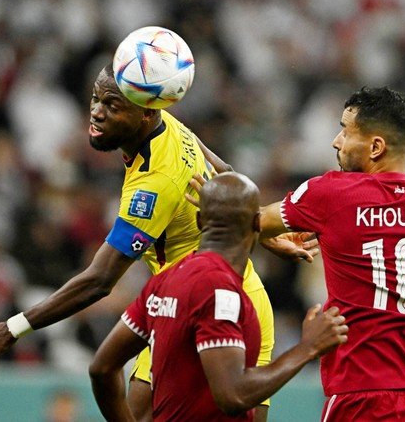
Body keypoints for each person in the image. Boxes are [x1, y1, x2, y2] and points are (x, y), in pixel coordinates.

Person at [0, 62, 317, 421]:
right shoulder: (168, 124)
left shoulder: (152, 187)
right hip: (179, 297)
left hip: (228, 302)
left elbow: (100, 280)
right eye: (95, 98)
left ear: (145, 115)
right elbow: (225, 174)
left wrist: (13, 328)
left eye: (113, 106)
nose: (97, 112)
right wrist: (258, 228)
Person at [189, 69, 405, 420]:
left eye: (345, 130)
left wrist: (257, 230)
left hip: (359, 394)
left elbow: (243, 220)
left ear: (375, 147)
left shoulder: (330, 194)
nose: (336, 141)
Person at [88, 171, 349, 421]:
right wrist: (306, 349)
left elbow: (101, 368)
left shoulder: (164, 280)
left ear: (200, 220)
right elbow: (232, 396)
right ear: (258, 224)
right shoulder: (221, 291)